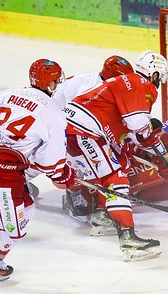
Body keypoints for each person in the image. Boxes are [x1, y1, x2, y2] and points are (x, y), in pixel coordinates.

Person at [0, 59, 75, 285]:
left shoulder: (11, 93)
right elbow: (50, 162)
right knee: (10, 234)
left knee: (27, 207)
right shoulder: (54, 113)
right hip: (2, 175)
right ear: (52, 83)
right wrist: (63, 176)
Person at [63, 50, 167, 262]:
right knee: (116, 178)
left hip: (74, 130)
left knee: (116, 165)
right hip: (84, 130)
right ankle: (128, 240)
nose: (158, 84)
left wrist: (150, 142)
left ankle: (102, 217)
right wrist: (149, 136)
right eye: (160, 78)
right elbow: (137, 124)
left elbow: (128, 131)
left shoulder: (124, 83)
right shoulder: (142, 84)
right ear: (155, 74)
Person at [53, 55, 134, 222]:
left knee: (114, 163)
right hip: (63, 132)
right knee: (79, 167)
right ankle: (74, 193)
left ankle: (104, 202)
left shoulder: (110, 88)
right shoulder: (88, 86)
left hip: (87, 134)